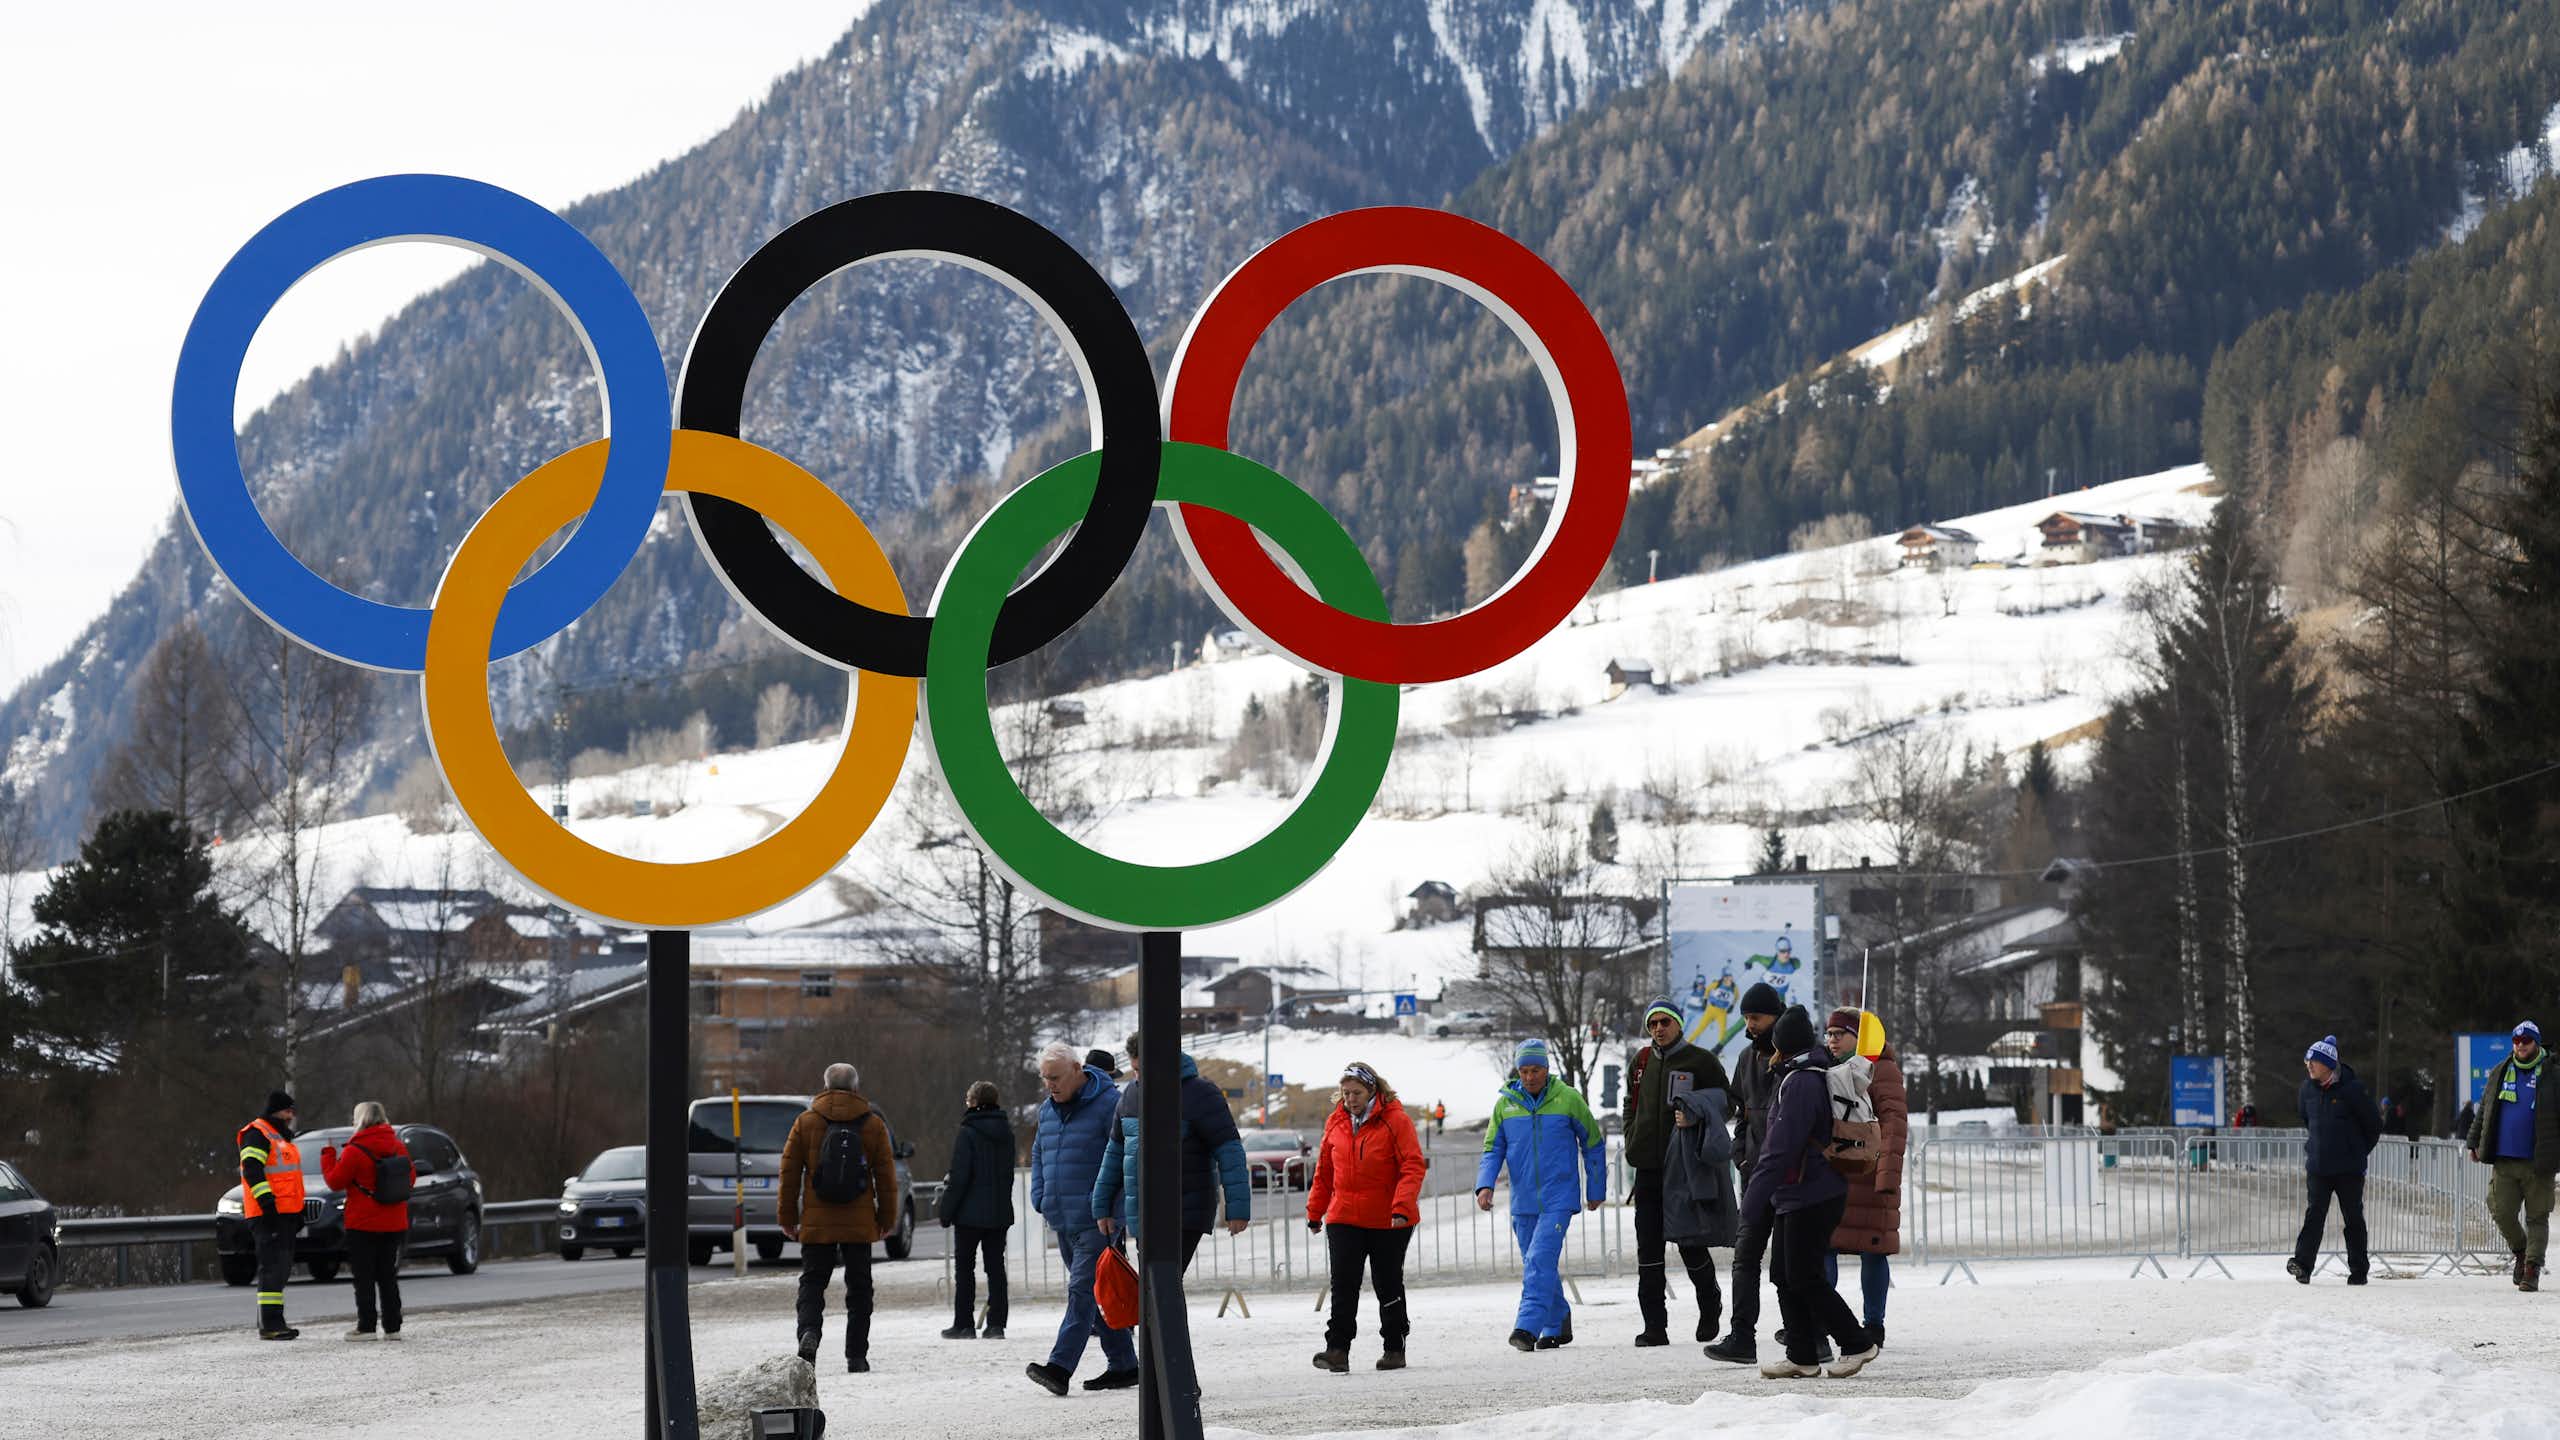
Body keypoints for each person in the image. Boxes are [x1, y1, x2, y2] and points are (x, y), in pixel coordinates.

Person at [1742, 1006, 1877, 1380]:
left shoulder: (1801, 1081)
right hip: (1796, 1193)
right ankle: (1801, 1353)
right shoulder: (1799, 1074)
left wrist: (1752, 1202)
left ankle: (1856, 1342)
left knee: (1804, 1275)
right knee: (1785, 1274)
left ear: (1782, 1046)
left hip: (1812, 1193)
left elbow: (1781, 1147)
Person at [1474, 1038, 1606, 1351]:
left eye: (1536, 1070)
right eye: (1524, 1070)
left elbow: (1593, 1143)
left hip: (1559, 1197)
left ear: (1547, 1069)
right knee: (1539, 1264)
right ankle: (1558, 1321)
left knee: (1538, 1259)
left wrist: (1596, 1188)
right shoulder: (1504, 1105)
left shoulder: (1568, 1099)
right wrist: (1485, 1184)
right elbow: (1493, 1148)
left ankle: (1527, 1326)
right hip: (1523, 1200)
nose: (1530, 1076)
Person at [1026, 1043, 1137, 1396]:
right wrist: (1040, 1195)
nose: (1050, 1085)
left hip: (1097, 1218)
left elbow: (1123, 1158)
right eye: (1045, 1079)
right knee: (1096, 1293)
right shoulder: (1047, 1110)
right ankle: (1124, 1364)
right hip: (1062, 1217)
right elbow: (1039, 1153)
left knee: (1081, 1292)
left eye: (1055, 1078)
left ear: (1077, 1069)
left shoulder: (1109, 1105)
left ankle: (1059, 1368)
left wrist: (1107, 1207)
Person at [778, 1062, 901, 1372]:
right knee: (859, 1289)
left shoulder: (805, 1122)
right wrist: (887, 1219)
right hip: (859, 1224)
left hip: (817, 1223)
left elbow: (789, 1173)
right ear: (856, 1088)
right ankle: (856, 1356)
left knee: (812, 1284)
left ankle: (809, 1334)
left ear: (825, 1086)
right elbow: (887, 1178)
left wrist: (787, 1216)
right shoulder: (873, 1125)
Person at [1307, 1062, 1428, 1373]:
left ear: (1373, 1090)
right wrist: (1315, 1211)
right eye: (1345, 1093)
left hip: (1389, 1218)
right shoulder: (1336, 1123)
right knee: (1343, 1283)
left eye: (1356, 1093)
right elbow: (1324, 1172)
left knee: (1387, 1282)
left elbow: (1412, 1166)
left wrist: (1401, 1207)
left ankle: (1394, 1346)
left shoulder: (1395, 1120)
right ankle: (1337, 1349)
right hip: (1344, 1215)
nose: (1350, 1099)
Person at [1623, 996, 1730, 1347]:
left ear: (1678, 1024)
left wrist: (1696, 1113)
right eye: (1652, 1023)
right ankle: (1654, 1326)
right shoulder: (1640, 1062)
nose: (1658, 1029)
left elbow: (1726, 1102)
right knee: (1648, 1247)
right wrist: (1631, 1137)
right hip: (1648, 1168)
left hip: (1683, 1166)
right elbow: (1630, 1105)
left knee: (1689, 1241)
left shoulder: (1701, 1060)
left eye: (1664, 1022)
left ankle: (1709, 1303)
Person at [1091, 1035, 1250, 1272]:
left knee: (1163, 1282)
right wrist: (1102, 1206)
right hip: (1142, 1212)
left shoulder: (1200, 1093)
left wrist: (1237, 1209)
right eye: (1135, 1071)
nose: (1139, 1077)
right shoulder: (1130, 1096)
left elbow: (1230, 1152)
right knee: (1155, 1287)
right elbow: (1114, 1153)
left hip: (1186, 1210)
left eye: (1143, 1070)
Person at [1706, 982, 1788, 1364]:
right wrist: (1740, 1155)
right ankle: (1742, 1337)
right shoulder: (1745, 1058)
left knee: (1790, 1264)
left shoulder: (1796, 1056)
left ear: (1775, 1015)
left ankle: (1809, 1334)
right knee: (1745, 1257)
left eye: (1755, 1017)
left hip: (1788, 1175)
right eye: (1746, 1018)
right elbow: (1741, 1112)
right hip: (1754, 1173)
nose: (1750, 1024)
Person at [1822, 1010, 1905, 1349]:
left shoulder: (1882, 1070)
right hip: (1834, 1174)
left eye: (1840, 1033)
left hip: (1870, 1176)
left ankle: (1874, 1324)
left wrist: (1887, 1173)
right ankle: (1824, 1319)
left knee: (1874, 1252)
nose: (1832, 1040)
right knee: (1823, 1247)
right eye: (1828, 1033)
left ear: (1861, 1037)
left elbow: (1894, 1123)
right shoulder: (1827, 1069)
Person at [2287, 1035, 2384, 1286]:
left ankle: (2359, 1270)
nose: (2309, 1066)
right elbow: (2306, 1119)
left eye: (2314, 1062)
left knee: (2353, 1218)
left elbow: (2373, 1125)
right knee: (2314, 1216)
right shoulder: (2306, 1089)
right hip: (2318, 1167)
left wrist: (2359, 1152)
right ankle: (2303, 1265)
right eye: (2307, 1061)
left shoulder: (2352, 1089)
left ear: (2329, 1064)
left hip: (2348, 1169)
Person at [2469, 1020, 2557, 1292]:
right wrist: (2474, 1141)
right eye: (2516, 1042)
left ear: (2537, 1043)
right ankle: (2520, 1251)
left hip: (2538, 1160)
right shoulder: (2500, 1071)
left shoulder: (2553, 1074)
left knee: (2537, 1217)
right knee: (2500, 1209)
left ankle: (2532, 1269)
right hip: (2504, 1158)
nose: (2520, 1046)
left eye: (2526, 1042)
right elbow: (2485, 1110)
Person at [320, 1101, 410, 1341]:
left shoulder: (354, 1150)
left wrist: (328, 1156)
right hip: (394, 1221)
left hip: (363, 1223)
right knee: (388, 1275)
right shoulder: (398, 1147)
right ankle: (393, 1327)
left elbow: (335, 1181)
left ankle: (367, 1326)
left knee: (364, 1276)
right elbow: (409, 1178)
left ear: (359, 1120)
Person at [937, 1080, 1016, 1340]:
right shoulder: (1007, 1132)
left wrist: (946, 1211)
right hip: (999, 1212)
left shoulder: (967, 1132)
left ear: (974, 1102)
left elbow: (960, 1176)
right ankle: (996, 1324)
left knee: (965, 1269)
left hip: (969, 1214)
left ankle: (964, 1324)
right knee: (995, 1269)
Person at [236, 1089, 306, 1341]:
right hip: (268, 1213)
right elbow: (252, 1170)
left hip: (284, 1213)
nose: (291, 1116)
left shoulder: (280, 1137)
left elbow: (289, 1178)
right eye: (288, 1111)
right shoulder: (257, 1134)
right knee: (273, 1268)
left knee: (281, 1268)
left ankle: (272, 1321)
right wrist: (267, 1204)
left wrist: (297, 1211)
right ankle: (271, 1324)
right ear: (277, 1110)